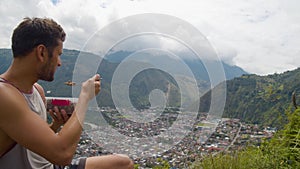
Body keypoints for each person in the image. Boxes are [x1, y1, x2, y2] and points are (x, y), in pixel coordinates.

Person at [0, 17, 134, 169]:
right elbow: (62, 154)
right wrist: (84, 97)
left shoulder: (37, 90)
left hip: (48, 165)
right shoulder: (4, 95)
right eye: (58, 54)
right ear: (42, 52)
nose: (59, 62)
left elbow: (32, 144)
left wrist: (55, 125)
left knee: (123, 164)